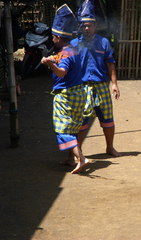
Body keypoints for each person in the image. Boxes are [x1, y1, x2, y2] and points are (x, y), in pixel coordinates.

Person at [41, 4, 90, 174]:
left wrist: (50, 66)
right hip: (78, 93)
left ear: (57, 37)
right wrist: (51, 59)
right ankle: (71, 159)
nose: (52, 39)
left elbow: (62, 72)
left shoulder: (66, 54)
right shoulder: (71, 50)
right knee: (73, 128)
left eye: (53, 37)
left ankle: (81, 158)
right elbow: (60, 59)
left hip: (67, 95)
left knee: (62, 129)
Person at [70, 0, 121, 157]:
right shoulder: (74, 44)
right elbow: (68, 67)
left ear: (95, 25)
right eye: (84, 25)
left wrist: (114, 84)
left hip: (101, 87)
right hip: (82, 88)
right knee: (81, 123)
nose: (87, 28)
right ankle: (76, 154)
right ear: (80, 26)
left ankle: (110, 147)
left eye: (89, 25)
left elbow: (110, 64)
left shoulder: (103, 42)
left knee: (108, 120)